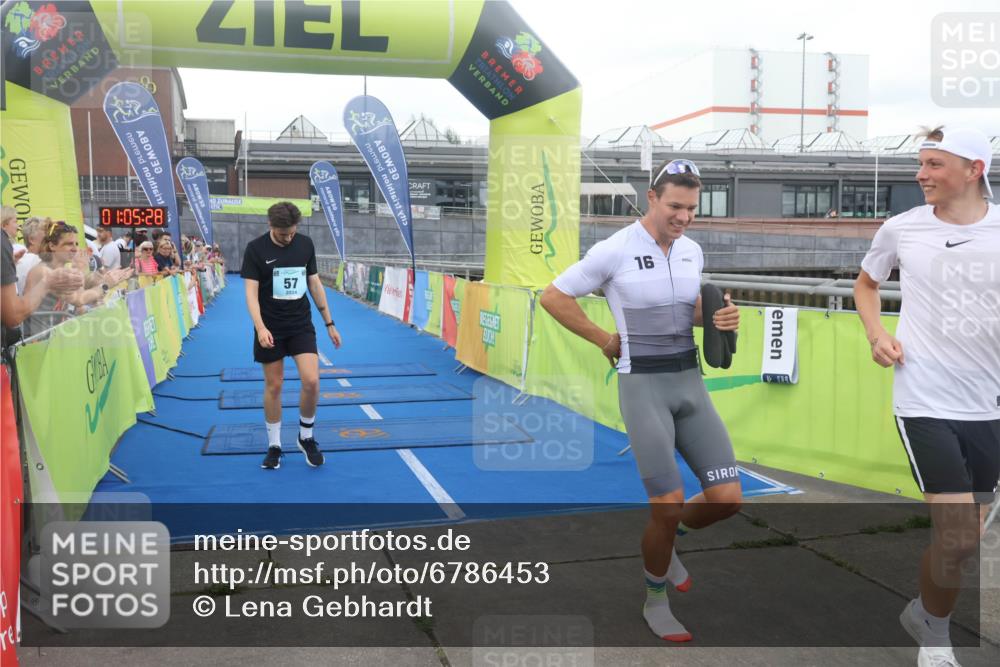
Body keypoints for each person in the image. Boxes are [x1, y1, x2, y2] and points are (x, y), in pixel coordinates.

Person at [539, 159, 742, 643]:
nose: (684, 216)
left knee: (727, 500)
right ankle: (655, 600)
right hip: (643, 387)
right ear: (651, 197)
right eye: (675, 206)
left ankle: (671, 545)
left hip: (689, 384)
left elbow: (689, 310)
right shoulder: (614, 250)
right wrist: (604, 339)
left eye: (692, 208)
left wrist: (719, 317)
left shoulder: (691, 250)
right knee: (666, 507)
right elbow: (553, 297)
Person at [854, 126, 999, 667]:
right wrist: (876, 334)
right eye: (921, 163)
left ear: (973, 170)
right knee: (959, 538)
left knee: (967, 538)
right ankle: (935, 636)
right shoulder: (902, 229)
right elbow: (866, 285)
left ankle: (924, 611)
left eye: (935, 164)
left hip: (990, 406)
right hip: (924, 398)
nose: (921, 174)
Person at [241, 201, 342, 470]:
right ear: (270, 226)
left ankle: (306, 437)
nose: (288, 238)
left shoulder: (305, 244)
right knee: (274, 386)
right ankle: (274, 445)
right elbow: (251, 293)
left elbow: (314, 283)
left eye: (292, 233)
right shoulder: (255, 249)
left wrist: (329, 322)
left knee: (311, 381)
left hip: (300, 324)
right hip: (270, 327)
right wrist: (260, 327)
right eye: (283, 234)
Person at [22, 221, 129, 337]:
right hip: (36, 344)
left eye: (76, 244)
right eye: (68, 244)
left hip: (52, 340)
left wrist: (104, 280)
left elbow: (80, 297)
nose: (74, 249)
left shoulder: (59, 269)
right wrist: (104, 285)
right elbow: (79, 299)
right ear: (52, 246)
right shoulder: (43, 270)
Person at [15, 217, 47, 294]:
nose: (50, 240)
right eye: (46, 236)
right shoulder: (36, 261)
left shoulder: (20, 260)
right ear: (31, 239)